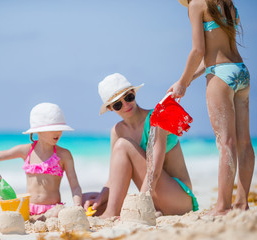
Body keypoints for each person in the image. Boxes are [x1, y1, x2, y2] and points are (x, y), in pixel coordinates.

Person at [168, 0, 255, 215]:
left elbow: (198, 50)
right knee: (244, 142)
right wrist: (185, 81)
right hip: (241, 72)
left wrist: (181, 82)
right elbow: (213, 55)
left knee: (225, 143)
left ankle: (222, 206)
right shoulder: (228, 4)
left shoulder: (196, 5)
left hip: (220, 77)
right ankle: (242, 203)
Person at [83, 73, 198, 218]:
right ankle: (110, 211)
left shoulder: (157, 118)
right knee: (86, 200)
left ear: (133, 93)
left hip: (179, 199)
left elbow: (154, 171)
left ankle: (111, 214)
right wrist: (100, 198)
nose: (126, 105)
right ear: (111, 108)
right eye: (118, 104)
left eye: (128, 97)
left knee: (123, 145)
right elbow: (113, 177)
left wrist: (141, 204)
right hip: (155, 197)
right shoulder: (117, 131)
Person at [0, 102, 82, 217]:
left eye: (60, 129)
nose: (58, 133)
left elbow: (75, 186)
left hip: (52, 209)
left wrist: (77, 207)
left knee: (57, 212)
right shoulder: (26, 151)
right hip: (28, 207)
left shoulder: (64, 155)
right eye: (53, 129)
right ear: (38, 130)